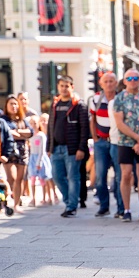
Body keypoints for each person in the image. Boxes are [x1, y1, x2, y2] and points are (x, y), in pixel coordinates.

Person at [113, 68, 139, 223]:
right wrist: (138, 138)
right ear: (124, 81)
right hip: (125, 142)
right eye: (129, 78)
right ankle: (126, 209)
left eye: (135, 78)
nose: (132, 81)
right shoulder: (119, 99)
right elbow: (119, 123)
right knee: (126, 174)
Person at [47, 76, 89, 217]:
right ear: (58, 87)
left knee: (73, 177)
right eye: (61, 86)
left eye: (67, 86)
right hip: (57, 148)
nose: (64, 89)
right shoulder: (55, 104)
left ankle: (71, 206)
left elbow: (84, 128)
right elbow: (50, 126)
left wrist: (81, 148)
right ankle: (69, 201)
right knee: (57, 176)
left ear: (72, 87)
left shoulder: (79, 105)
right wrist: (49, 147)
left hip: (72, 148)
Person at [90, 72, 123, 217]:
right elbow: (92, 119)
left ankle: (121, 207)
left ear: (116, 83)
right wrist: (95, 138)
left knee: (119, 176)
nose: (109, 84)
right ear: (101, 84)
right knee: (100, 175)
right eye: (106, 81)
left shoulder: (120, 98)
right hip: (101, 142)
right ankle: (104, 206)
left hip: (117, 142)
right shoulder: (96, 98)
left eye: (111, 81)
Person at [1, 94, 34, 212]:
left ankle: (16, 204)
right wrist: (17, 134)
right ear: (6, 106)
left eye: (15, 104)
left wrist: (17, 132)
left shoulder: (22, 119)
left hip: (22, 151)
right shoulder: (3, 119)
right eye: (11, 104)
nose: (13, 106)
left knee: (20, 178)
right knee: (12, 177)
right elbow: (5, 133)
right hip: (9, 150)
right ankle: (6, 200)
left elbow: (30, 132)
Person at [27, 116, 53, 205]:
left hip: (40, 157)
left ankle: (45, 197)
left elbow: (42, 149)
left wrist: (39, 161)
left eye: (35, 123)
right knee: (33, 178)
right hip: (32, 157)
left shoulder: (41, 135)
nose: (33, 125)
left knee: (43, 178)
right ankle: (33, 198)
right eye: (31, 123)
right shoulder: (30, 135)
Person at [39, 113, 59, 204]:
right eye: (41, 120)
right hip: (42, 158)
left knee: (51, 177)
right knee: (44, 177)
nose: (43, 122)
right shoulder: (39, 134)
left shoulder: (52, 132)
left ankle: (54, 195)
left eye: (45, 120)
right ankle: (48, 197)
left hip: (50, 156)